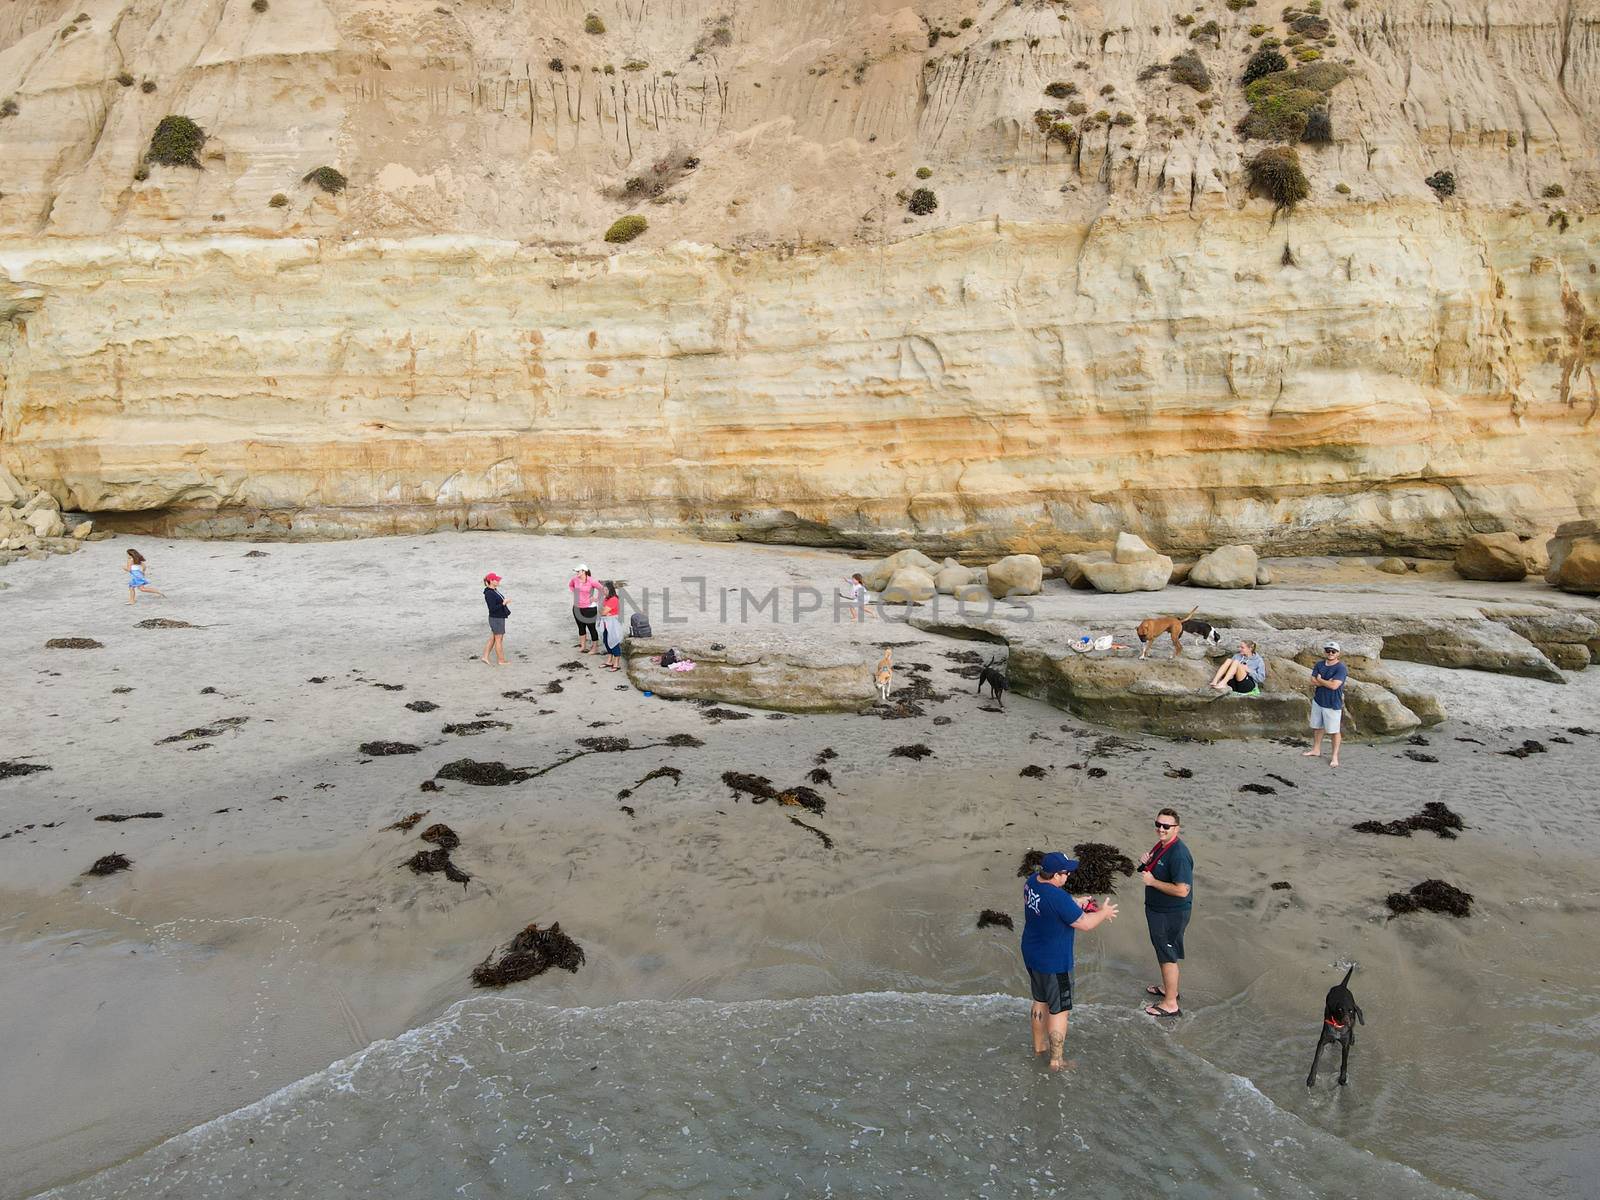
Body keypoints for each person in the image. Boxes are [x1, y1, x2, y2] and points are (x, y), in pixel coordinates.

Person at [1020, 851, 1119, 1071]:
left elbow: (1056, 907)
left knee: (1040, 1001)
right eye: (1065, 873)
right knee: (1059, 1010)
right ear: (1055, 876)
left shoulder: (1031, 882)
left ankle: (1038, 1047)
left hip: (1032, 953)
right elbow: (1085, 924)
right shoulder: (1058, 898)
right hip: (1055, 962)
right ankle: (1056, 1061)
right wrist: (1104, 912)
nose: (1068, 876)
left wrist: (1075, 902)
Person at [1141, 808, 1193, 1019]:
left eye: (1166, 826)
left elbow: (1182, 890)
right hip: (1158, 910)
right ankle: (1168, 988)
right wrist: (1146, 862)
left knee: (1167, 955)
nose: (1161, 829)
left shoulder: (1179, 854)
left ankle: (1170, 1003)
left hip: (1170, 913)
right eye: (1158, 825)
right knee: (1164, 952)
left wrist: (1152, 882)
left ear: (1176, 828)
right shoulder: (1164, 845)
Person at [1304, 640, 1347, 768]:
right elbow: (1312, 681)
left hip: (1332, 703)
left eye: (1333, 651)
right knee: (1318, 726)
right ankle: (1316, 749)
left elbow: (1334, 686)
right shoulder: (1319, 664)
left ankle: (1334, 757)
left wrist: (1320, 680)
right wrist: (1325, 682)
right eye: (1328, 650)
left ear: (1338, 653)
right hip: (1319, 700)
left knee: (1334, 731)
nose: (1330, 653)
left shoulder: (1341, 668)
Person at [569, 565, 601, 654]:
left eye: (578, 571)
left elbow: (602, 589)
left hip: (589, 609)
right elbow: (570, 585)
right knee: (581, 627)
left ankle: (594, 648)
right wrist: (575, 592)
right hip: (577, 607)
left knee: (592, 629)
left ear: (584, 571)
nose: (577, 573)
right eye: (576, 571)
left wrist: (596, 598)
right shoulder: (574, 579)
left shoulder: (591, 581)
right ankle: (583, 646)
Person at [482, 573, 510, 665]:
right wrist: (503, 603)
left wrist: (504, 602)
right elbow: (492, 608)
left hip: (498, 618)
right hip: (496, 618)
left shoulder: (494, 590)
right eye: (496, 580)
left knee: (493, 639)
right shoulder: (489, 593)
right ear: (491, 581)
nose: (498, 581)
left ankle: (485, 657)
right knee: (499, 639)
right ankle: (501, 660)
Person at [598, 581, 624, 672]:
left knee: (614, 641)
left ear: (610, 590)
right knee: (606, 641)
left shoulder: (613, 599)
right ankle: (609, 661)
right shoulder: (606, 599)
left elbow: (603, 612)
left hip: (613, 624)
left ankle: (616, 663)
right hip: (606, 624)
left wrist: (604, 612)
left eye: (605, 590)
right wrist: (604, 612)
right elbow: (601, 610)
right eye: (603, 589)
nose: (604, 591)